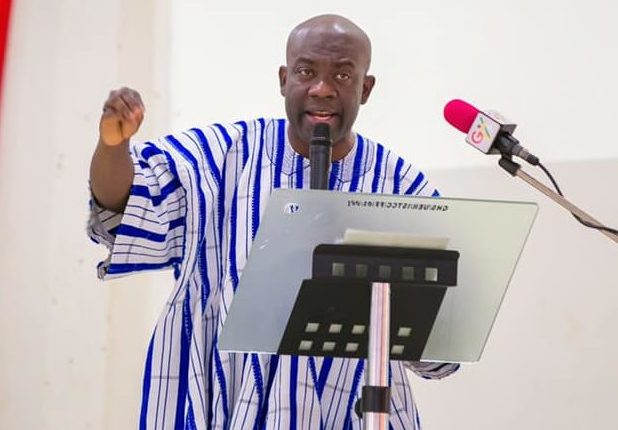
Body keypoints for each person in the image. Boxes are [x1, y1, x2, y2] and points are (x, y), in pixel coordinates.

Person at [88, 14, 458, 430]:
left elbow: (439, 346)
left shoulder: (400, 187)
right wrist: (113, 146)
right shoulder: (221, 155)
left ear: (366, 88)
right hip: (224, 408)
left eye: (341, 75)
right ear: (284, 79)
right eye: (306, 72)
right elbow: (124, 205)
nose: (322, 88)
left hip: (353, 414)